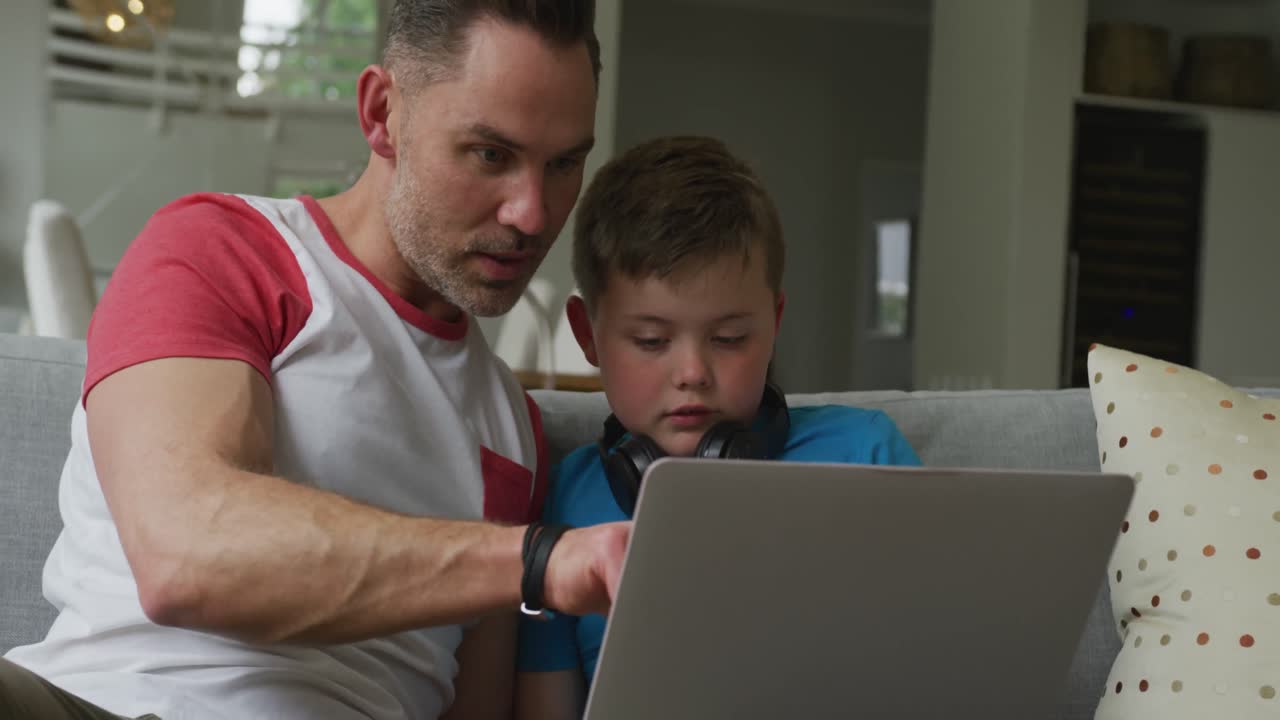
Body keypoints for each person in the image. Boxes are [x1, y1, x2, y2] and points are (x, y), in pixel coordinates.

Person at [0, 2, 630, 718]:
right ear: (382, 112)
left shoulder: (511, 433)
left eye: (564, 164)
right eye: (491, 154)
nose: (533, 214)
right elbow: (186, 557)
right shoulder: (228, 252)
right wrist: (538, 562)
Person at [513, 136, 923, 719]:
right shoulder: (563, 506)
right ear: (587, 334)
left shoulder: (866, 452)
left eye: (729, 339)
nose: (692, 373)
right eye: (651, 341)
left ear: (774, 323)